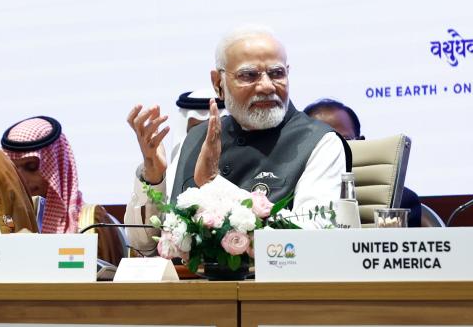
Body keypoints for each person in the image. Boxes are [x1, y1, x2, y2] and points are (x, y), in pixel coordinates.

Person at [124, 25, 347, 251]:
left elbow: (312, 237)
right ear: (218, 83)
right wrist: (153, 178)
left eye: (277, 73)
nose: (266, 86)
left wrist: (214, 182)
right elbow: (143, 244)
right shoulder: (196, 140)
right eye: (249, 75)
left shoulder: (320, 142)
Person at [1, 115, 126, 263]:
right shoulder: (5, 223)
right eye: (13, 169)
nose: (21, 179)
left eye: (31, 167)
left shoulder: (91, 223)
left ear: (56, 168)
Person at [305, 98, 424, 227]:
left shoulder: (402, 201)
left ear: (361, 143)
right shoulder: (287, 198)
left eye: (342, 140)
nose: (331, 150)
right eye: (318, 142)